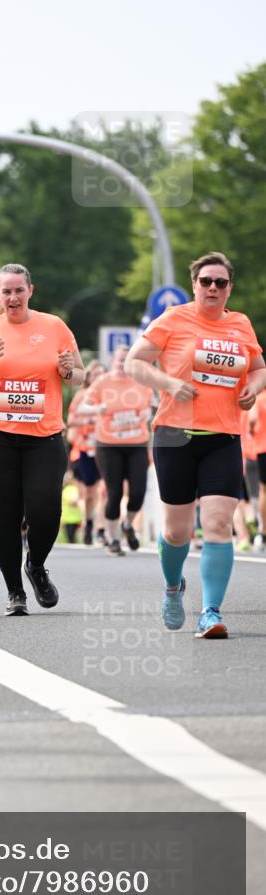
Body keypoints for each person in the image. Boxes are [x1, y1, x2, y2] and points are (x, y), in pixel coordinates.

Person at [125, 252, 266, 638]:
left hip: (224, 436)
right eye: (206, 281)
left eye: (221, 282)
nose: (213, 288)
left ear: (229, 288)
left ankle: (211, 612)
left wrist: (253, 389)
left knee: (219, 524)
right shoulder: (174, 319)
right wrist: (170, 385)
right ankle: (173, 587)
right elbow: (134, 363)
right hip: (174, 435)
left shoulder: (240, 324)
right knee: (177, 533)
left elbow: (258, 368)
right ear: (195, 285)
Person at [0, 263, 84, 615]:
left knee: (46, 509)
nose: (13, 297)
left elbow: (79, 376)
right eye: (6, 291)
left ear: (31, 290)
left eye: (19, 290)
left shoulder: (54, 326)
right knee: (6, 514)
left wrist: (67, 370)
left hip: (43, 436)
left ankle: (37, 565)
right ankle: (15, 592)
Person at [82, 344, 153, 556]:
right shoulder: (102, 382)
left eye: (126, 361)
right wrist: (97, 408)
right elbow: (82, 407)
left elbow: (152, 406)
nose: (122, 365)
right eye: (119, 361)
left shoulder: (141, 380)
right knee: (114, 493)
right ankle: (113, 539)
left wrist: (146, 414)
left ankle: (128, 525)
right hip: (108, 444)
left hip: (136, 443)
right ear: (113, 361)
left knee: (138, 491)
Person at [66, 359, 107, 546]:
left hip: (107, 447)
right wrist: (90, 423)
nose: (99, 378)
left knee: (105, 491)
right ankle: (89, 523)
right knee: (90, 493)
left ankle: (101, 529)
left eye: (102, 374)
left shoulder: (111, 395)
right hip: (85, 448)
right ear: (89, 377)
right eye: (95, 374)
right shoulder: (81, 396)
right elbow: (71, 422)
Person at [249, 389, 266, 550]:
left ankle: (264, 531)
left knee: (263, 490)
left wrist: (251, 430)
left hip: (263, 447)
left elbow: (252, 418)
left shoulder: (260, 398)